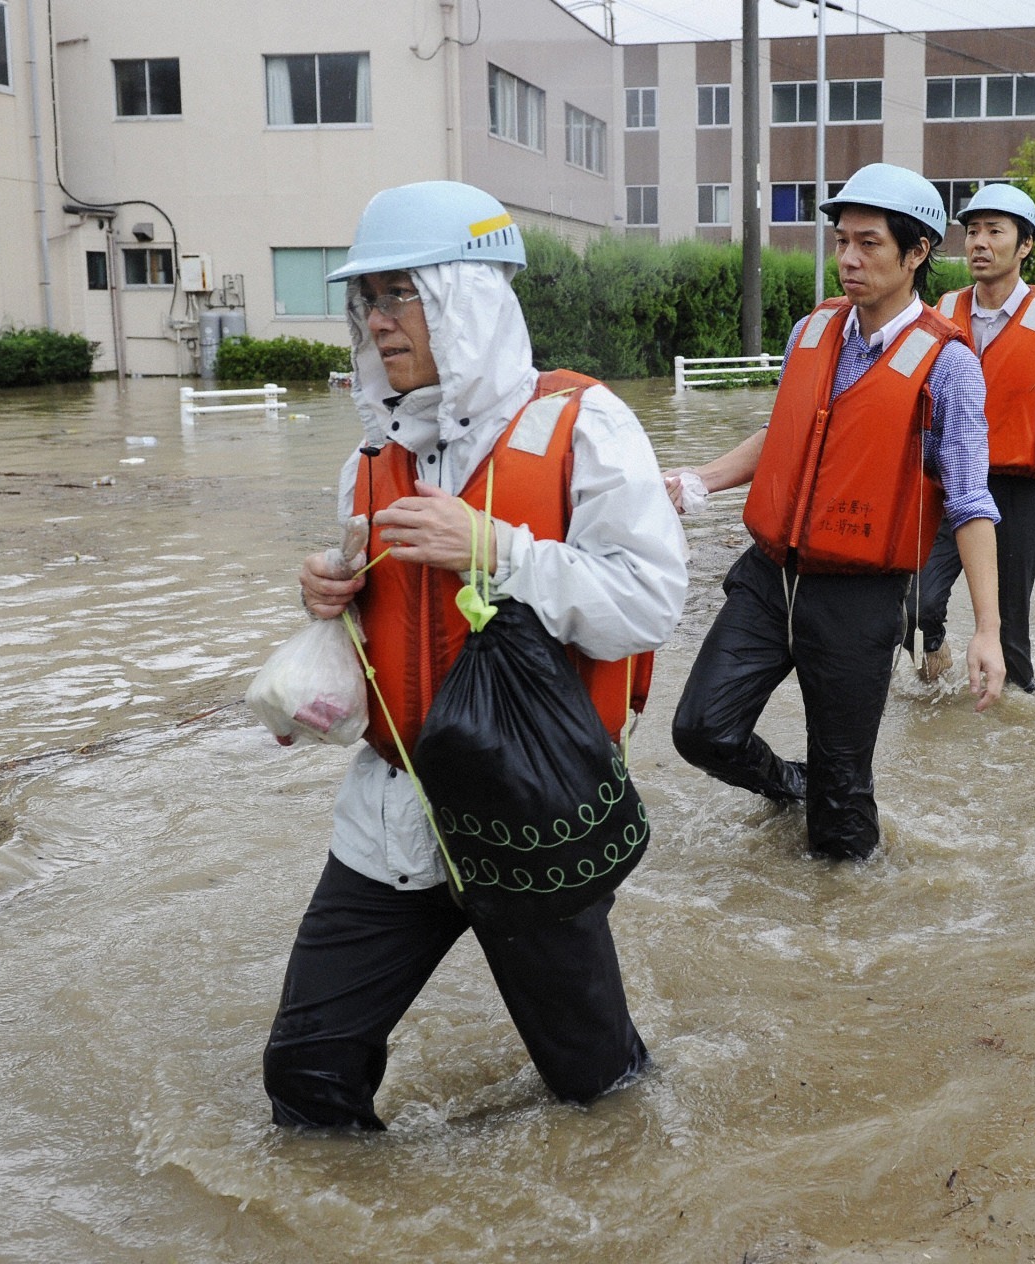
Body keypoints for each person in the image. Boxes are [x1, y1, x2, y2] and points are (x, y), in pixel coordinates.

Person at [262, 181, 687, 1128]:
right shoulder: (372, 456)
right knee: (306, 1077)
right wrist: (324, 597)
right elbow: (376, 632)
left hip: (532, 805)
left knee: (601, 1093)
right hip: (393, 810)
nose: (376, 322)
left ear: (465, 296)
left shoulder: (586, 427)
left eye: (398, 293)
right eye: (365, 299)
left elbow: (650, 603)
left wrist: (496, 549)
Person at [662, 163, 1005, 862]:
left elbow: (970, 502)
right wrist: (699, 481)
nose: (848, 258)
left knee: (843, 808)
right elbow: (787, 431)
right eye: (842, 240)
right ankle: (791, 785)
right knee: (701, 730)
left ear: (915, 254)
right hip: (768, 578)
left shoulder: (948, 365)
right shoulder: (812, 330)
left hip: (857, 600)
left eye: (869, 243)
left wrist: (988, 631)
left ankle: (844, 930)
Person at [907, 183, 1035, 693]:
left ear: (1025, 244)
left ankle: (1015, 718)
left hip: (1015, 489)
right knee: (915, 604)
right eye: (971, 232)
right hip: (948, 485)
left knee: (1011, 628)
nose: (979, 243)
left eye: (994, 231)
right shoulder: (942, 309)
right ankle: (936, 669)